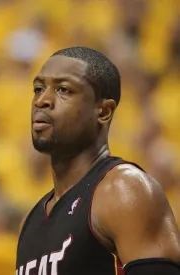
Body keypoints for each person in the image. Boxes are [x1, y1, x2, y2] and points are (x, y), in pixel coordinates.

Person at [16, 47, 180, 275]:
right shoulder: (30, 221)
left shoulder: (124, 190)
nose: (42, 100)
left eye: (63, 90)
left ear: (103, 111)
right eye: (38, 89)